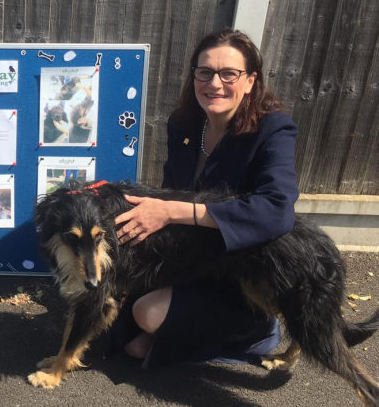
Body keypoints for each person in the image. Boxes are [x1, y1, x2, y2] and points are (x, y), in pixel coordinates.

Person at [113, 28, 299, 366]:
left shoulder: (273, 129)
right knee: (124, 343)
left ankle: (259, 331)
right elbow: (169, 191)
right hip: (191, 260)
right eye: (205, 72)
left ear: (250, 81)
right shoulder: (183, 124)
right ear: (194, 76)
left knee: (148, 316)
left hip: (242, 273)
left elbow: (276, 210)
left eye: (229, 74)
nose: (215, 84)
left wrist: (173, 212)